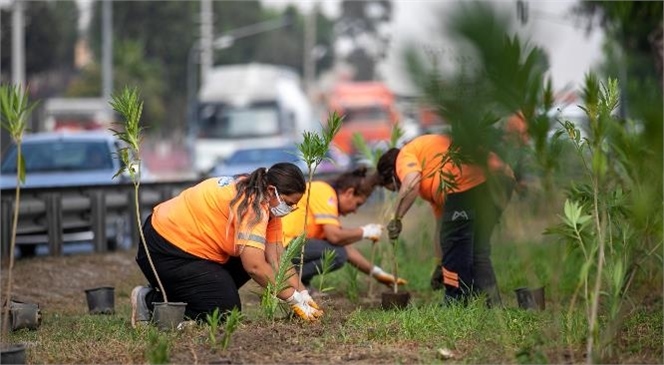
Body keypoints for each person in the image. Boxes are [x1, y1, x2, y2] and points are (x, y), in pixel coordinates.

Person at [130, 162, 323, 327]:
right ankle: (149, 302)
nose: (290, 209)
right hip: (165, 248)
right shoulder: (253, 205)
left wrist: (303, 294)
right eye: (288, 203)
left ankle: (193, 294)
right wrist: (292, 298)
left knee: (246, 267)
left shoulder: (265, 201)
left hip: (194, 250)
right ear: (272, 191)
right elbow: (255, 267)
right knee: (224, 313)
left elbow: (277, 257)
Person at [375, 134, 514, 306]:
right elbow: (443, 226)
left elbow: (411, 183)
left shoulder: (405, 154)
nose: (398, 192)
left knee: (455, 243)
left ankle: (457, 302)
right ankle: (490, 304)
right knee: (478, 247)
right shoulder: (434, 182)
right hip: (501, 178)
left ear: (391, 174)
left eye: (394, 188)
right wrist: (439, 264)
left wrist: (396, 218)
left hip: (467, 182)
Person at [281, 166, 407, 293]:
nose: (355, 211)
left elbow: (344, 245)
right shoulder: (326, 193)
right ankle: (287, 280)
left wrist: (377, 273)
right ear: (349, 193)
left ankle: (298, 282)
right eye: (357, 204)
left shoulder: (326, 205)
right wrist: (365, 231)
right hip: (284, 246)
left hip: (288, 247)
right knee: (337, 255)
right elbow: (335, 237)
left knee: (338, 251)